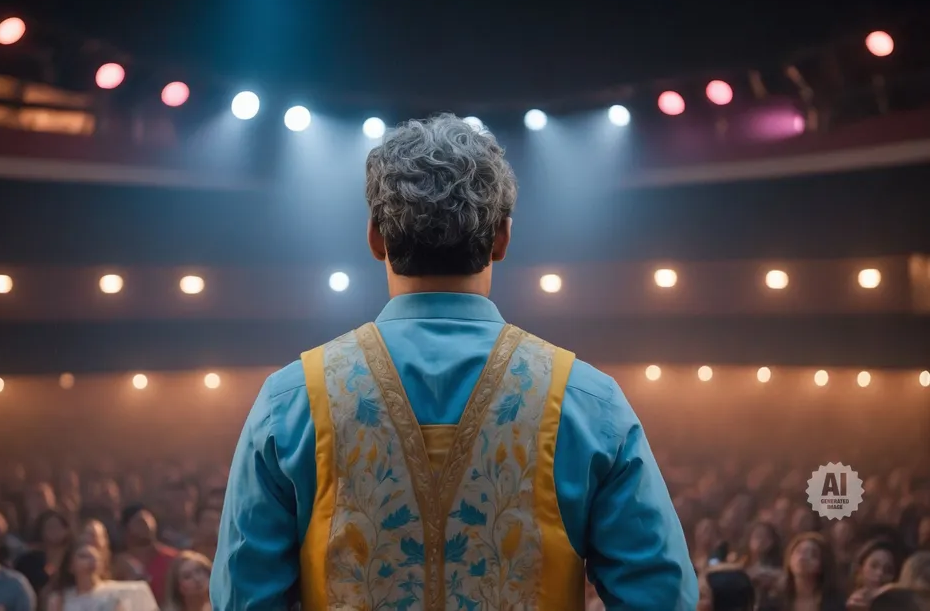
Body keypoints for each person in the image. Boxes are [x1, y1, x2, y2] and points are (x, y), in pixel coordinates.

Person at [211, 113, 697, 610]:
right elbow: (661, 597)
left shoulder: (291, 400)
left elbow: (244, 599)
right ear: (502, 239)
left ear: (375, 237)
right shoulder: (587, 401)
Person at [112, 504, 177, 604]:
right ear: (126, 528)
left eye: (149, 520)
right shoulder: (118, 565)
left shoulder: (172, 560)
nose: (146, 525)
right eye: (139, 522)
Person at [46, 542, 123, 611]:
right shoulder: (60, 599)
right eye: (83, 556)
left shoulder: (114, 593)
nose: (91, 560)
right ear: (70, 565)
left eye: (95, 556)